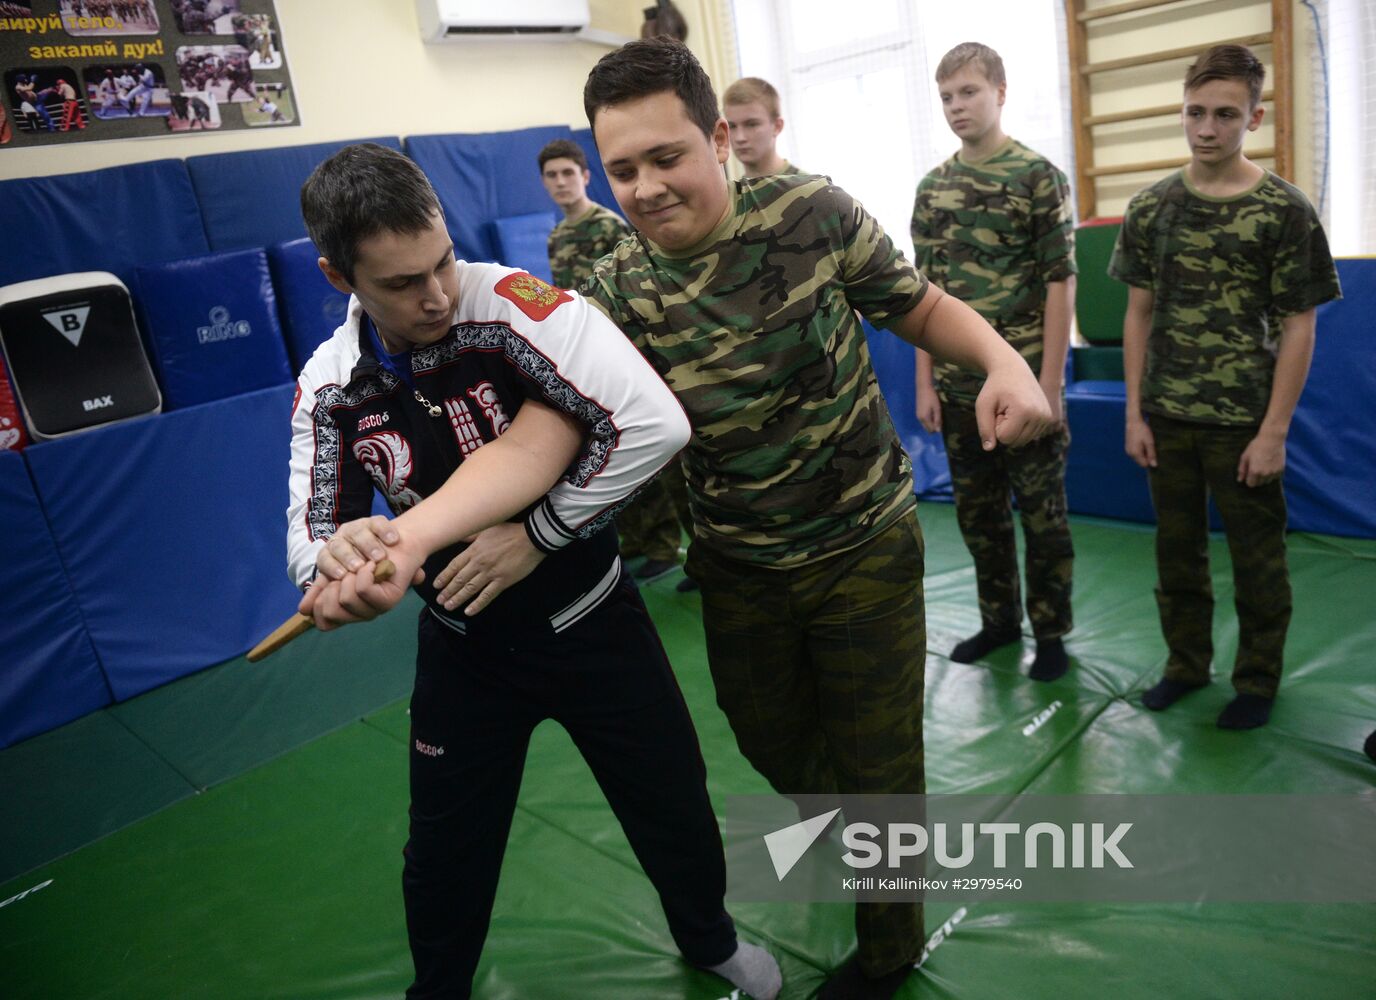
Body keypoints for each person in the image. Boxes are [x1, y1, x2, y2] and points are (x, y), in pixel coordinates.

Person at [579, 37, 1053, 1000]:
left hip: (862, 545)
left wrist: (1005, 362)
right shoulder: (617, 286)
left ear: (718, 139)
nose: (646, 187)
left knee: (879, 765)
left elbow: (918, 307)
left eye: (666, 158)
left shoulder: (811, 212)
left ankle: (888, 951)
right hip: (739, 563)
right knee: (766, 738)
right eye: (622, 169)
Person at [288, 143, 781, 1000]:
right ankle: (436, 989)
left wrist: (540, 533)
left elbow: (654, 425)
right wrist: (339, 565)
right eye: (404, 283)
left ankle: (709, 938)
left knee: (672, 802)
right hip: (464, 647)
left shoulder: (516, 305)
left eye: (441, 261)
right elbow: (308, 539)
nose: (436, 293)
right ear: (340, 278)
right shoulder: (330, 384)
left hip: (593, 618)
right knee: (442, 850)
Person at [1109, 44, 1341, 730]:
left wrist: (1273, 433)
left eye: (1225, 115)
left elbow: (1300, 326)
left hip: (1244, 423)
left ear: (1255, 118)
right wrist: (1133, 413)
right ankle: (1186, 666)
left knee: (1257, 563)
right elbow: (1138, 312)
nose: (1206, 128)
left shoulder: (1283, 210)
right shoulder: (1151, 207)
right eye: (1195, 112)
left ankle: (1258, 680)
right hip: (1167, 417)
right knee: (1175, 556)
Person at [911, 42, 1076, 681]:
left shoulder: (1037, 176)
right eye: (947, 96)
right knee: (978, 517)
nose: (957, 107)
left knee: (1043, 517)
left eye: (969, 92)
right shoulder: (933, 189)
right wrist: (925, 381)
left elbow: (1060, 283)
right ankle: (999, 621)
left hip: (1028, 386)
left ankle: (1053, 633)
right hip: (957, 387)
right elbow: (923, 295)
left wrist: (1052, 385)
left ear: (1000, 93)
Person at [537, 137, 691, 584]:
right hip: (592, 359)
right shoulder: (557, 234)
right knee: (608, 451)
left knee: (657, 457)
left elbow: (639, 287)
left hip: (633, 354)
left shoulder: (609, 226)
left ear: (585, 177)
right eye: (553, 175)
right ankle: (640, 543)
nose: (562, 182)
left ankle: (665, 545)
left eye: (569, 172)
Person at [722, 77, 800, 178]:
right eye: (732, 126)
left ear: (777, 126)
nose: (739, 138)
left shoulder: (810, 189)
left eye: (752, 124)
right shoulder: (731, 192)